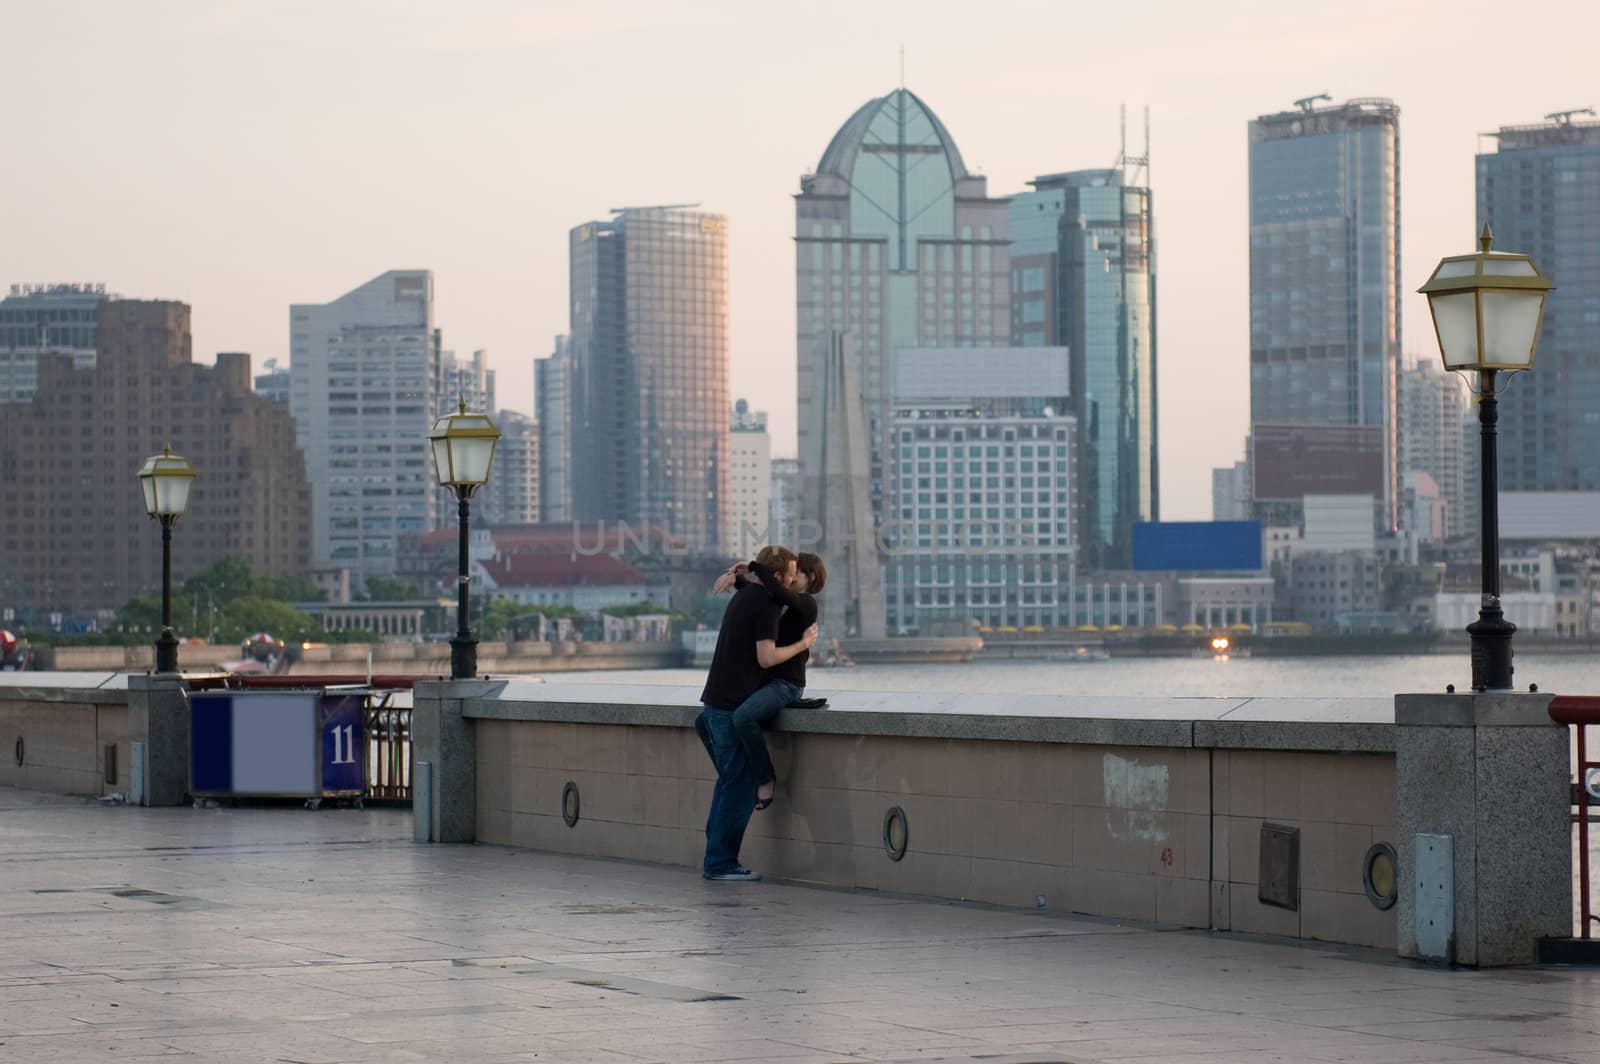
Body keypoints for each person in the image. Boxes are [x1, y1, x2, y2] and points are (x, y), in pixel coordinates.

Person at [696, 546, 817, 882]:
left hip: (714, 701)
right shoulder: (765, 604)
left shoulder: (748, 597)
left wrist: (739, 576)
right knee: (737, 786)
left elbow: (760, 586)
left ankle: (715, 856)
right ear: (778, 576)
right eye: (791, 571)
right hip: (730, 704)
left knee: (728, 783)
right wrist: (802, 645)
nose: (794, 577)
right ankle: (720, 862)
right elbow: (765, 659)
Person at [725, 552, 825, 811]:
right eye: (789, 573)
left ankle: (765, 778)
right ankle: (738, 775)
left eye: (797, 573)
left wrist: (754, 566)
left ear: (810, 577)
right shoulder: (779, 602)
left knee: (743, 717)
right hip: (766, 682)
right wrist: (738, 580)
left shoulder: (806, 604)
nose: (790, 579)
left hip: (787, 684)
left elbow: (778, 592)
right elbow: (762, 594)